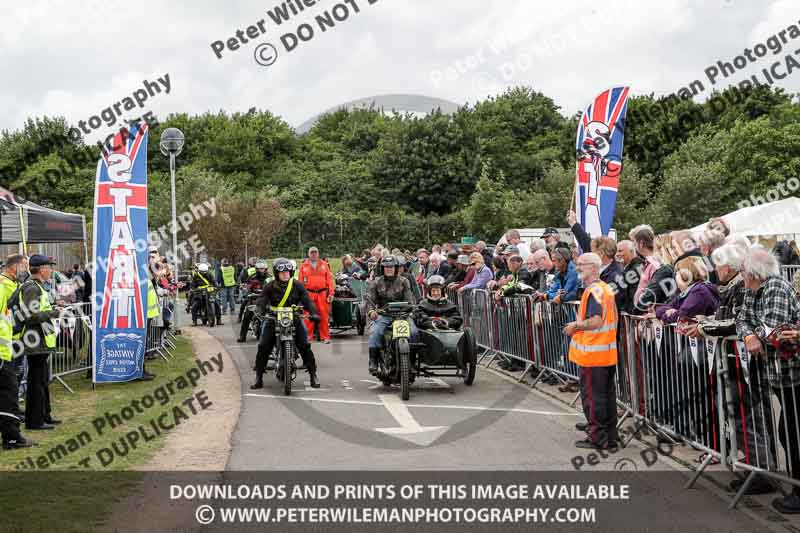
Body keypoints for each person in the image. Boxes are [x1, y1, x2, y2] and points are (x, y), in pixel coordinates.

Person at [736, 247, 800, 514]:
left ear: (753, 273)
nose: (741, 276)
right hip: (776, 373)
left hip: (791, 372)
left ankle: (798, 490)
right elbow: (742, 319)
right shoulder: (755, 290)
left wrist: (754, 334)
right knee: (788, 429)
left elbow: (771, 327)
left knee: (791, 430)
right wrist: (749, 336)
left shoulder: (775, 287)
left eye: (743, 271)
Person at [564, 253, 618, 451]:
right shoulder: (604, 289)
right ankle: (610, 436)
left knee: (593, 399)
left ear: (594, 268)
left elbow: (596, 320)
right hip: (604, 353)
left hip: (593, 355)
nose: (578, 268)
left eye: (582, 265)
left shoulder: (595, 291)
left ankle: (598, 438)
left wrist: (575, 326)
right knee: (606, 397)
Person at [251, 258, 320, 389]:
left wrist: (314, 313)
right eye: (282, 272)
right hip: (273, 318)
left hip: (294, 318)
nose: (285, 274)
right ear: (277, 273)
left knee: (305, 345)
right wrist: (259, 310)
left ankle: (313, 375)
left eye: (288, 272)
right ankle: (258, 377)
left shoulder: (297, 285)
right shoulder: (269, 286)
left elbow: (308, 301)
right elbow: (262, 300)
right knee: (263, 345)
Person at [21, 255, 63, 430]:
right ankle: (35, 421)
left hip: (41, 341)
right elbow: (30, 316)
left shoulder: (38, 286)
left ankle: (44, 415)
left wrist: (52, 309)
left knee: (42, 381)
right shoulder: (32, 287)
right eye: (48, 267)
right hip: (34, 342)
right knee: (36, 383)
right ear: (40, 269)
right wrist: (53, 313)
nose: (51, 270)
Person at [0, 255, 33, 448]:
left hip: (10, 346)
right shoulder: (4, 286)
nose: (26, 270)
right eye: (25, 266)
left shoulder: (10, 284)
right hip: (5, 349)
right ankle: (12, 437)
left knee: (9, 393)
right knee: (9, 394)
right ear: (15, 267)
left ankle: (11, 434)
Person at [365, 256, 415, 374]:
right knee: (375, 332)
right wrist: (371, 311)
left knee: (414, 332)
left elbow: (410, 300)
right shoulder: (376, 282)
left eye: (391, 267)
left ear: (396, 268)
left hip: (403, 315)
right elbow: (369, 300)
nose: (389, 269)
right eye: (386, 267)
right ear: (382, 269)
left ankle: (412, 362)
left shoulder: (404, 281)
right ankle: (373, 361)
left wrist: (411, 309)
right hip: (384, 315)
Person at [299, 247, 335, 344]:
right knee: (307, 315)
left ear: (318, 254)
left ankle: (325, 337)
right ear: (308, 254)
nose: (314, 254)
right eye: (312, 252)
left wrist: (331, 293)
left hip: (322, 293)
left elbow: (330, 281)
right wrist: (301, 295)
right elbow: (300, 282)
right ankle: (307, 337)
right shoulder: (303, 266)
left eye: (315, 252)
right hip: (309, 294)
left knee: (324, 315)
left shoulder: (324, 265)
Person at [237, 261, 271, 342]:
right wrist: (246, 290)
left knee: (272, 316)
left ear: (266, 269)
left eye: (263, 269)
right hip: (254, 298)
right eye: (260, 269)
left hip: (267, 300)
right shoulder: (252, 277)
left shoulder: (270, 277)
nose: (261, 270)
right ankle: (242, 336)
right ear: (256, 269)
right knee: (247, 316)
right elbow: (247, 286)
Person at [613, 240, 644, 315]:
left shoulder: (637, 268)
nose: (617, 254)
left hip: (633, 314)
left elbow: (632, 293)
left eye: (620, 251)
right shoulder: (626, 268)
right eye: (616, 252)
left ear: (631, 251)